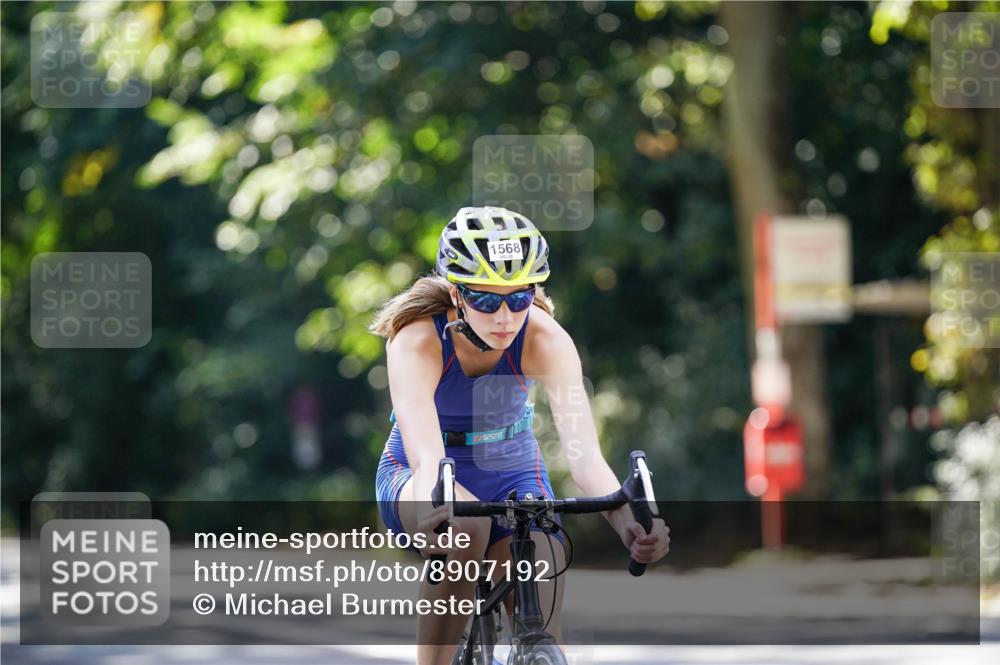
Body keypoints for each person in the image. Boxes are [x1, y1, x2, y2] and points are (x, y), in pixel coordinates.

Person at [369, 206, 669, 665]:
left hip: (513, 469)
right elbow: (424, 450)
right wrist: (435, 502)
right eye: (487, 300)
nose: (505, 317)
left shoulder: (546, 338)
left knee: (543, 568)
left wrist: (628, 522)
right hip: (420, 470)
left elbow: (585, 458)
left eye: (520, 298)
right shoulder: (416, 338)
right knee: (466, 529)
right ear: (457, 293)